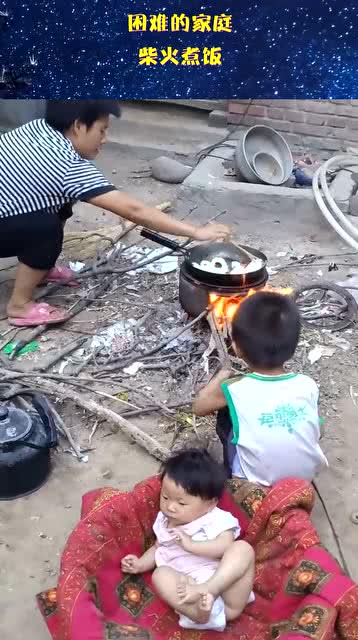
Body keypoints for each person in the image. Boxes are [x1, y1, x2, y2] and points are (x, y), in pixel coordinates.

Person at [0, 100, 230, 327]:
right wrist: (197, 232)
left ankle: (41, 270)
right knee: (45, 228)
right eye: (101, 130)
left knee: (58, 206)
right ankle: (20, 306)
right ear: (79, 126)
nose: (104, 139)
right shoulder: (66, 165)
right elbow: (134, 210)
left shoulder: (36, 128)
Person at [193, 292, 328, 485]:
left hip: (254, 487)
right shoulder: (307, 384)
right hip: (301, 483)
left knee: (227, 414)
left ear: (237, 348)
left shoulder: (234, 388)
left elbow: (198, 407)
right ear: (293, 346)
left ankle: (232, 475)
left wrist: (223, 376)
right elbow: (319, 430)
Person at [121, 448, 255, 632]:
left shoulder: (214, 518)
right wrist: (140, 564)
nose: (170, 507)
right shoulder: (164, 522)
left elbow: (226, 545)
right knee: (160, 575)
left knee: (242, 548)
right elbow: (158, 548)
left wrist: (192, 546)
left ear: (210, 503)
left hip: (225, 587)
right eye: (165, 497)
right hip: (188, 589)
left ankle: (209, 589)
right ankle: (196, 614)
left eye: (181, 503)